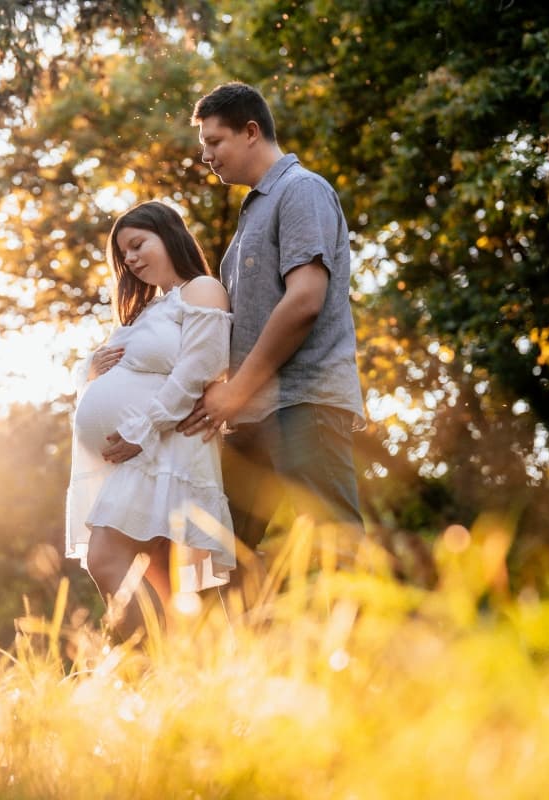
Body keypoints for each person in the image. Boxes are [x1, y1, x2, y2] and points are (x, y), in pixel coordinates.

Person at [179, 82, 365, 568]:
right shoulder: (251, 215)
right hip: (249, 416)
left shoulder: (301, 191)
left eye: (214, 142)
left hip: (303, 402)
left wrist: (237, 389)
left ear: (251, 132)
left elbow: (304, 301)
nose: (208, 157)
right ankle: (241, 647)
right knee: (218, 554)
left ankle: (367, 645)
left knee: (337, 550)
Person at [66, 201, 236, 639]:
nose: (132, 259)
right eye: (125, 254)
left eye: (138, 244)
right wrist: (92, 364)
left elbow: (198, 368)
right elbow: (114, 369)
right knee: (147, 571)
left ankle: (150, 666)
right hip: (140, 453)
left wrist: (142, 431)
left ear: (170, 234)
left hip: (166, 445)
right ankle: (156, 674)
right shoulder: (150, 309)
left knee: (114, 560)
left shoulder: (201, 289)